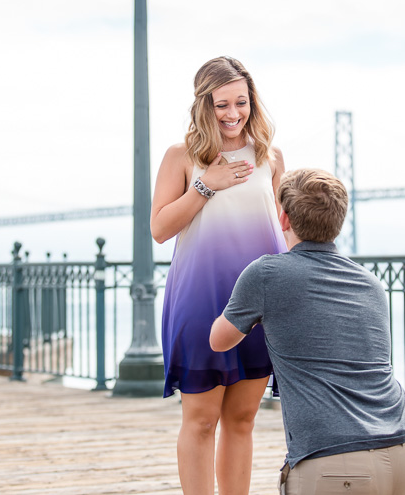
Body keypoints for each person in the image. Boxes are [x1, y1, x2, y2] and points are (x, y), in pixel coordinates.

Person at [210, 168, 405, 495]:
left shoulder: (266, 274)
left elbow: (219, 340)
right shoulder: (370, 284)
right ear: (338, 221)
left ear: (283, 218)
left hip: (336, 465)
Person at [151, 56, 286, 495]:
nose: (232, 114)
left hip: (258, 306)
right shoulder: (182, 156)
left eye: (241, 103)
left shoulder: (270, 156)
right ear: (203, 105)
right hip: (201, 300)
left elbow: (286, 226)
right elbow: (160, 229)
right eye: (221, 104)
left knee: (243, 419)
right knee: (202, 420)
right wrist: (206, 185)